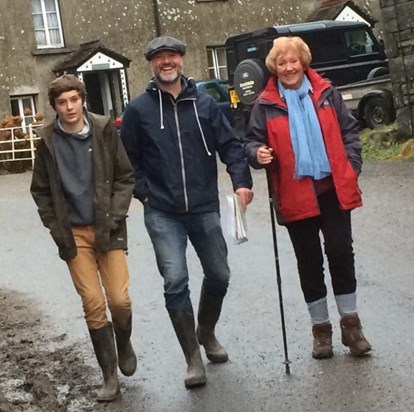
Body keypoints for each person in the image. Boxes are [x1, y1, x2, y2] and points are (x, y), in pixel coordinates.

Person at [121, 35, 253, 388]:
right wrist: (145, 195)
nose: (167, 62)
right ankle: (193, 358)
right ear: (151, 64)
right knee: (175, 281)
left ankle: (206, 331)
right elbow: (127, 161)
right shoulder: (138, 110)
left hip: (204, 205)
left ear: (181, 60)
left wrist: (242, 182)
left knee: (219, 274)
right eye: (159, 57)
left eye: (172, 56)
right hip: (162, 211)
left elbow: (231, 147)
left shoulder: (205, 104)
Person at [244, 37, 371, 359]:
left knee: (341, 253)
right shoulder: (266, 103)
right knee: (309, 262)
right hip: (294, 192)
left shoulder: (327, 94)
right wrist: (256, 153)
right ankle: (321, 331)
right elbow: (251, 142)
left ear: (303, 62)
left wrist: (351, 167)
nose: (288, 68)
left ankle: (352, 326)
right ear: (275, 67)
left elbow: (350, 132)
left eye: (293, 61)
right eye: (282, 63)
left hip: (332, 188)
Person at [30, 74, 137, 402]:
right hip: (73, 234)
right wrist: (55, 227)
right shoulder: (47, 141)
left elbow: (125, 176)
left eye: (74, 99)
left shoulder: (105, 130)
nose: (69, 107)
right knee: (93, 302)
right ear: (55, 107)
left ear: (82, 100)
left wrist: (115, 215)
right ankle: (109, 377)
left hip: (109, 226)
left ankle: (124, 340)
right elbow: (41, 191)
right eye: (62, 102)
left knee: (119, 300)